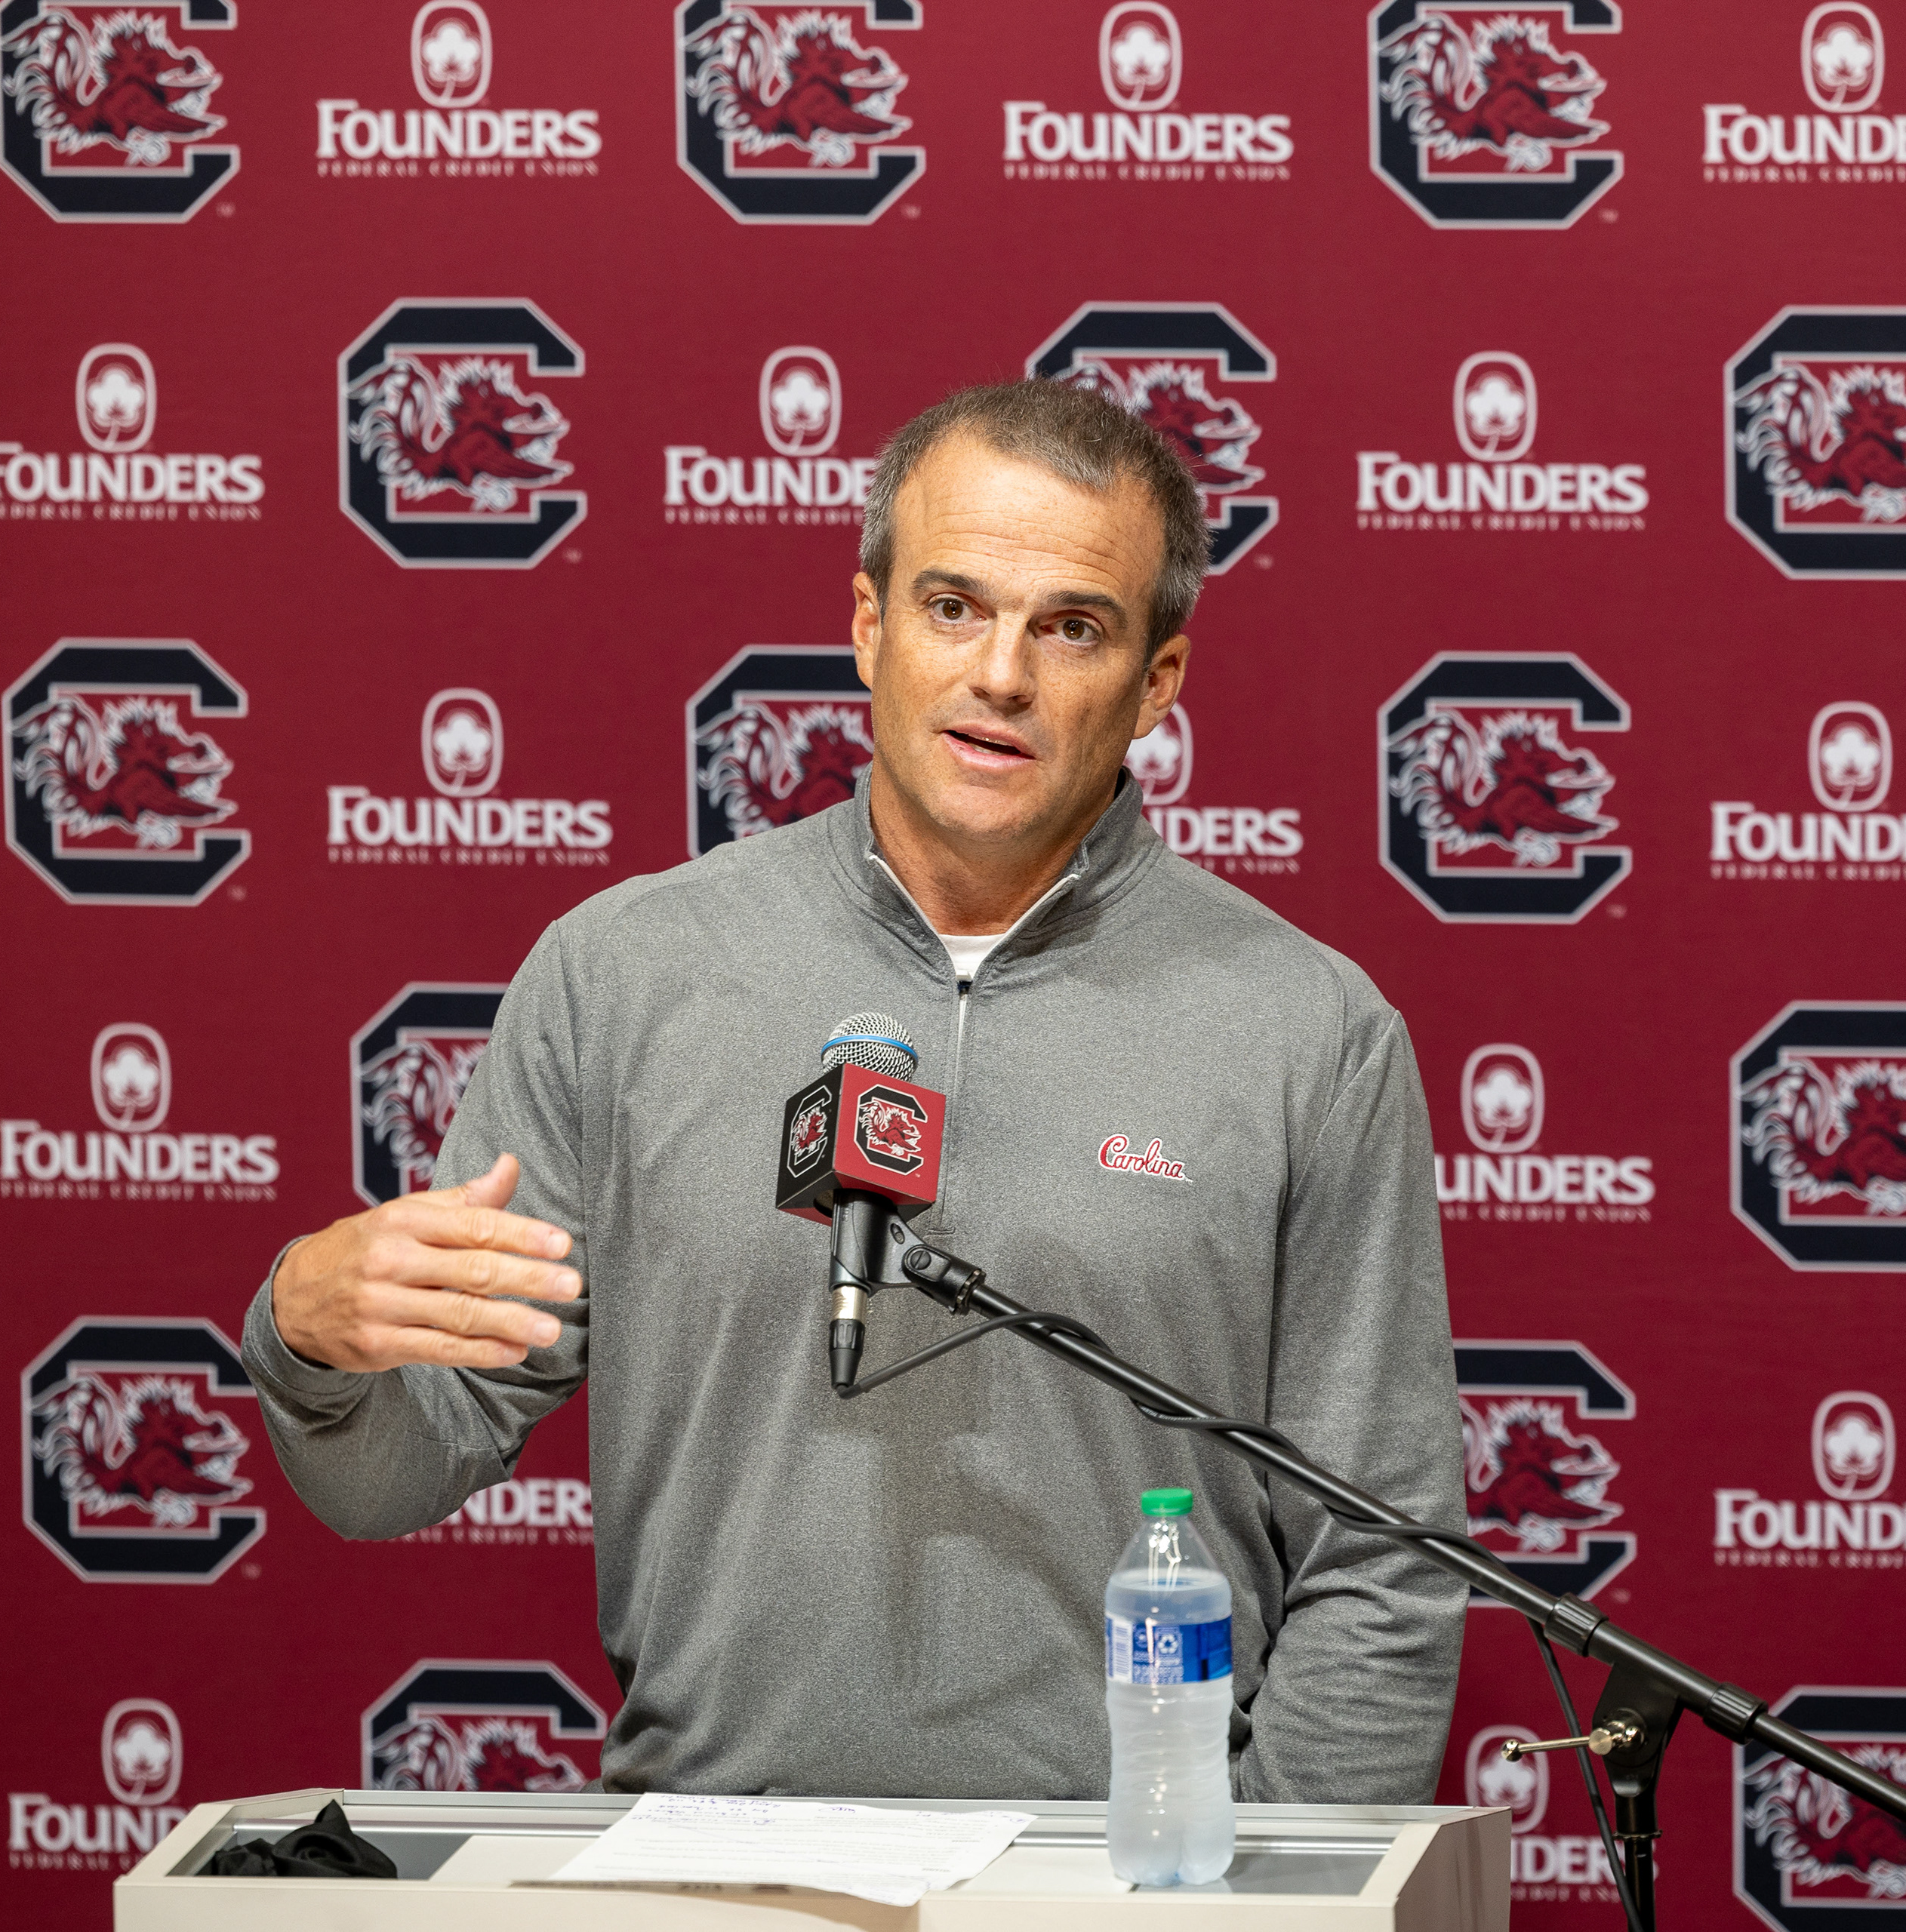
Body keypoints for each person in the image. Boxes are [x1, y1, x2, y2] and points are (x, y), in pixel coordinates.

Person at [245, 378, 1464, 1802]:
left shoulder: (1307, 1031)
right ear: (871, 627)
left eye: (1072, 626)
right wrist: (309, 1338)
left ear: (1158, 683)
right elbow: (395, 1473)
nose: (1002, 673)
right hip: (710, 1875)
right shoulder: (625, 977)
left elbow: (1382, 1561)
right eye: (953, 606)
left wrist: (1240, 1897)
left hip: (1130, 1893)